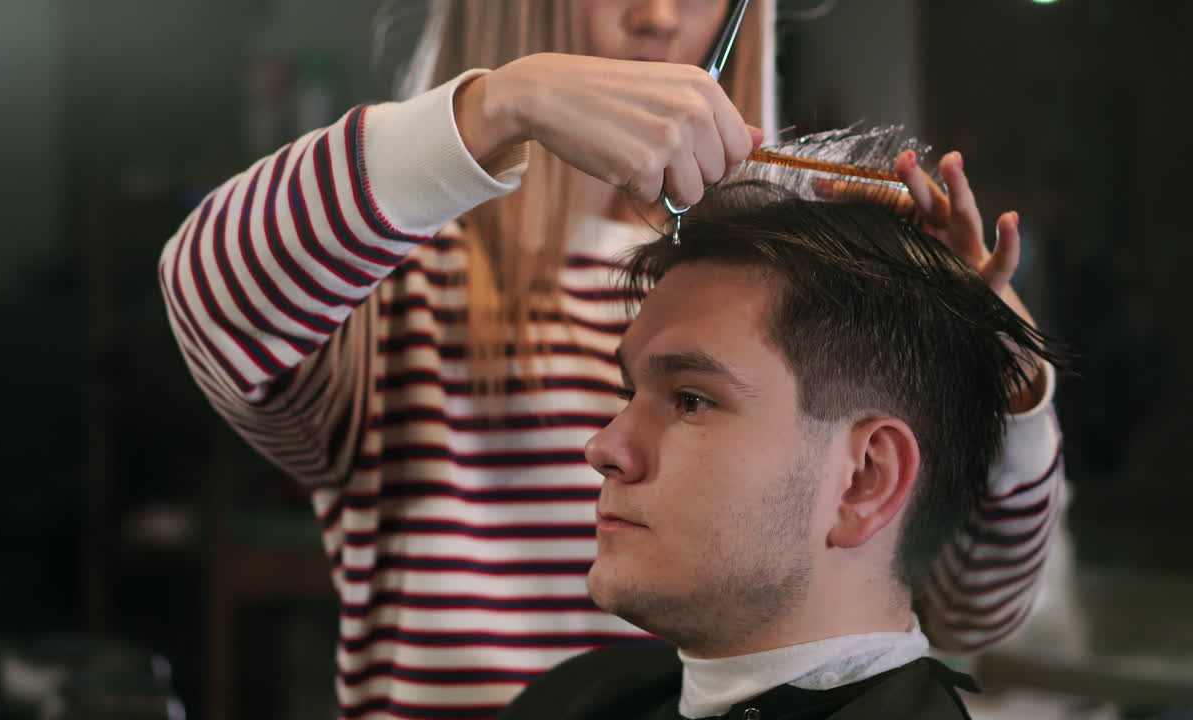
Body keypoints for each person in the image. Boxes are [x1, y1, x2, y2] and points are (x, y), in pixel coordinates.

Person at [158, 1, 1063, 716]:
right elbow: (208, 291)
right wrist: (494, 108)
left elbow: (968, 605)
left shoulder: (786, 295)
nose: (659, 16)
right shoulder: (394, 275)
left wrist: (1001, 378)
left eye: (695, 398)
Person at [498, 188, 1063, 720]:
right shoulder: (576, 699)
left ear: (865, 479)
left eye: (691, 400)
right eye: (629, 394)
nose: (604, 447)